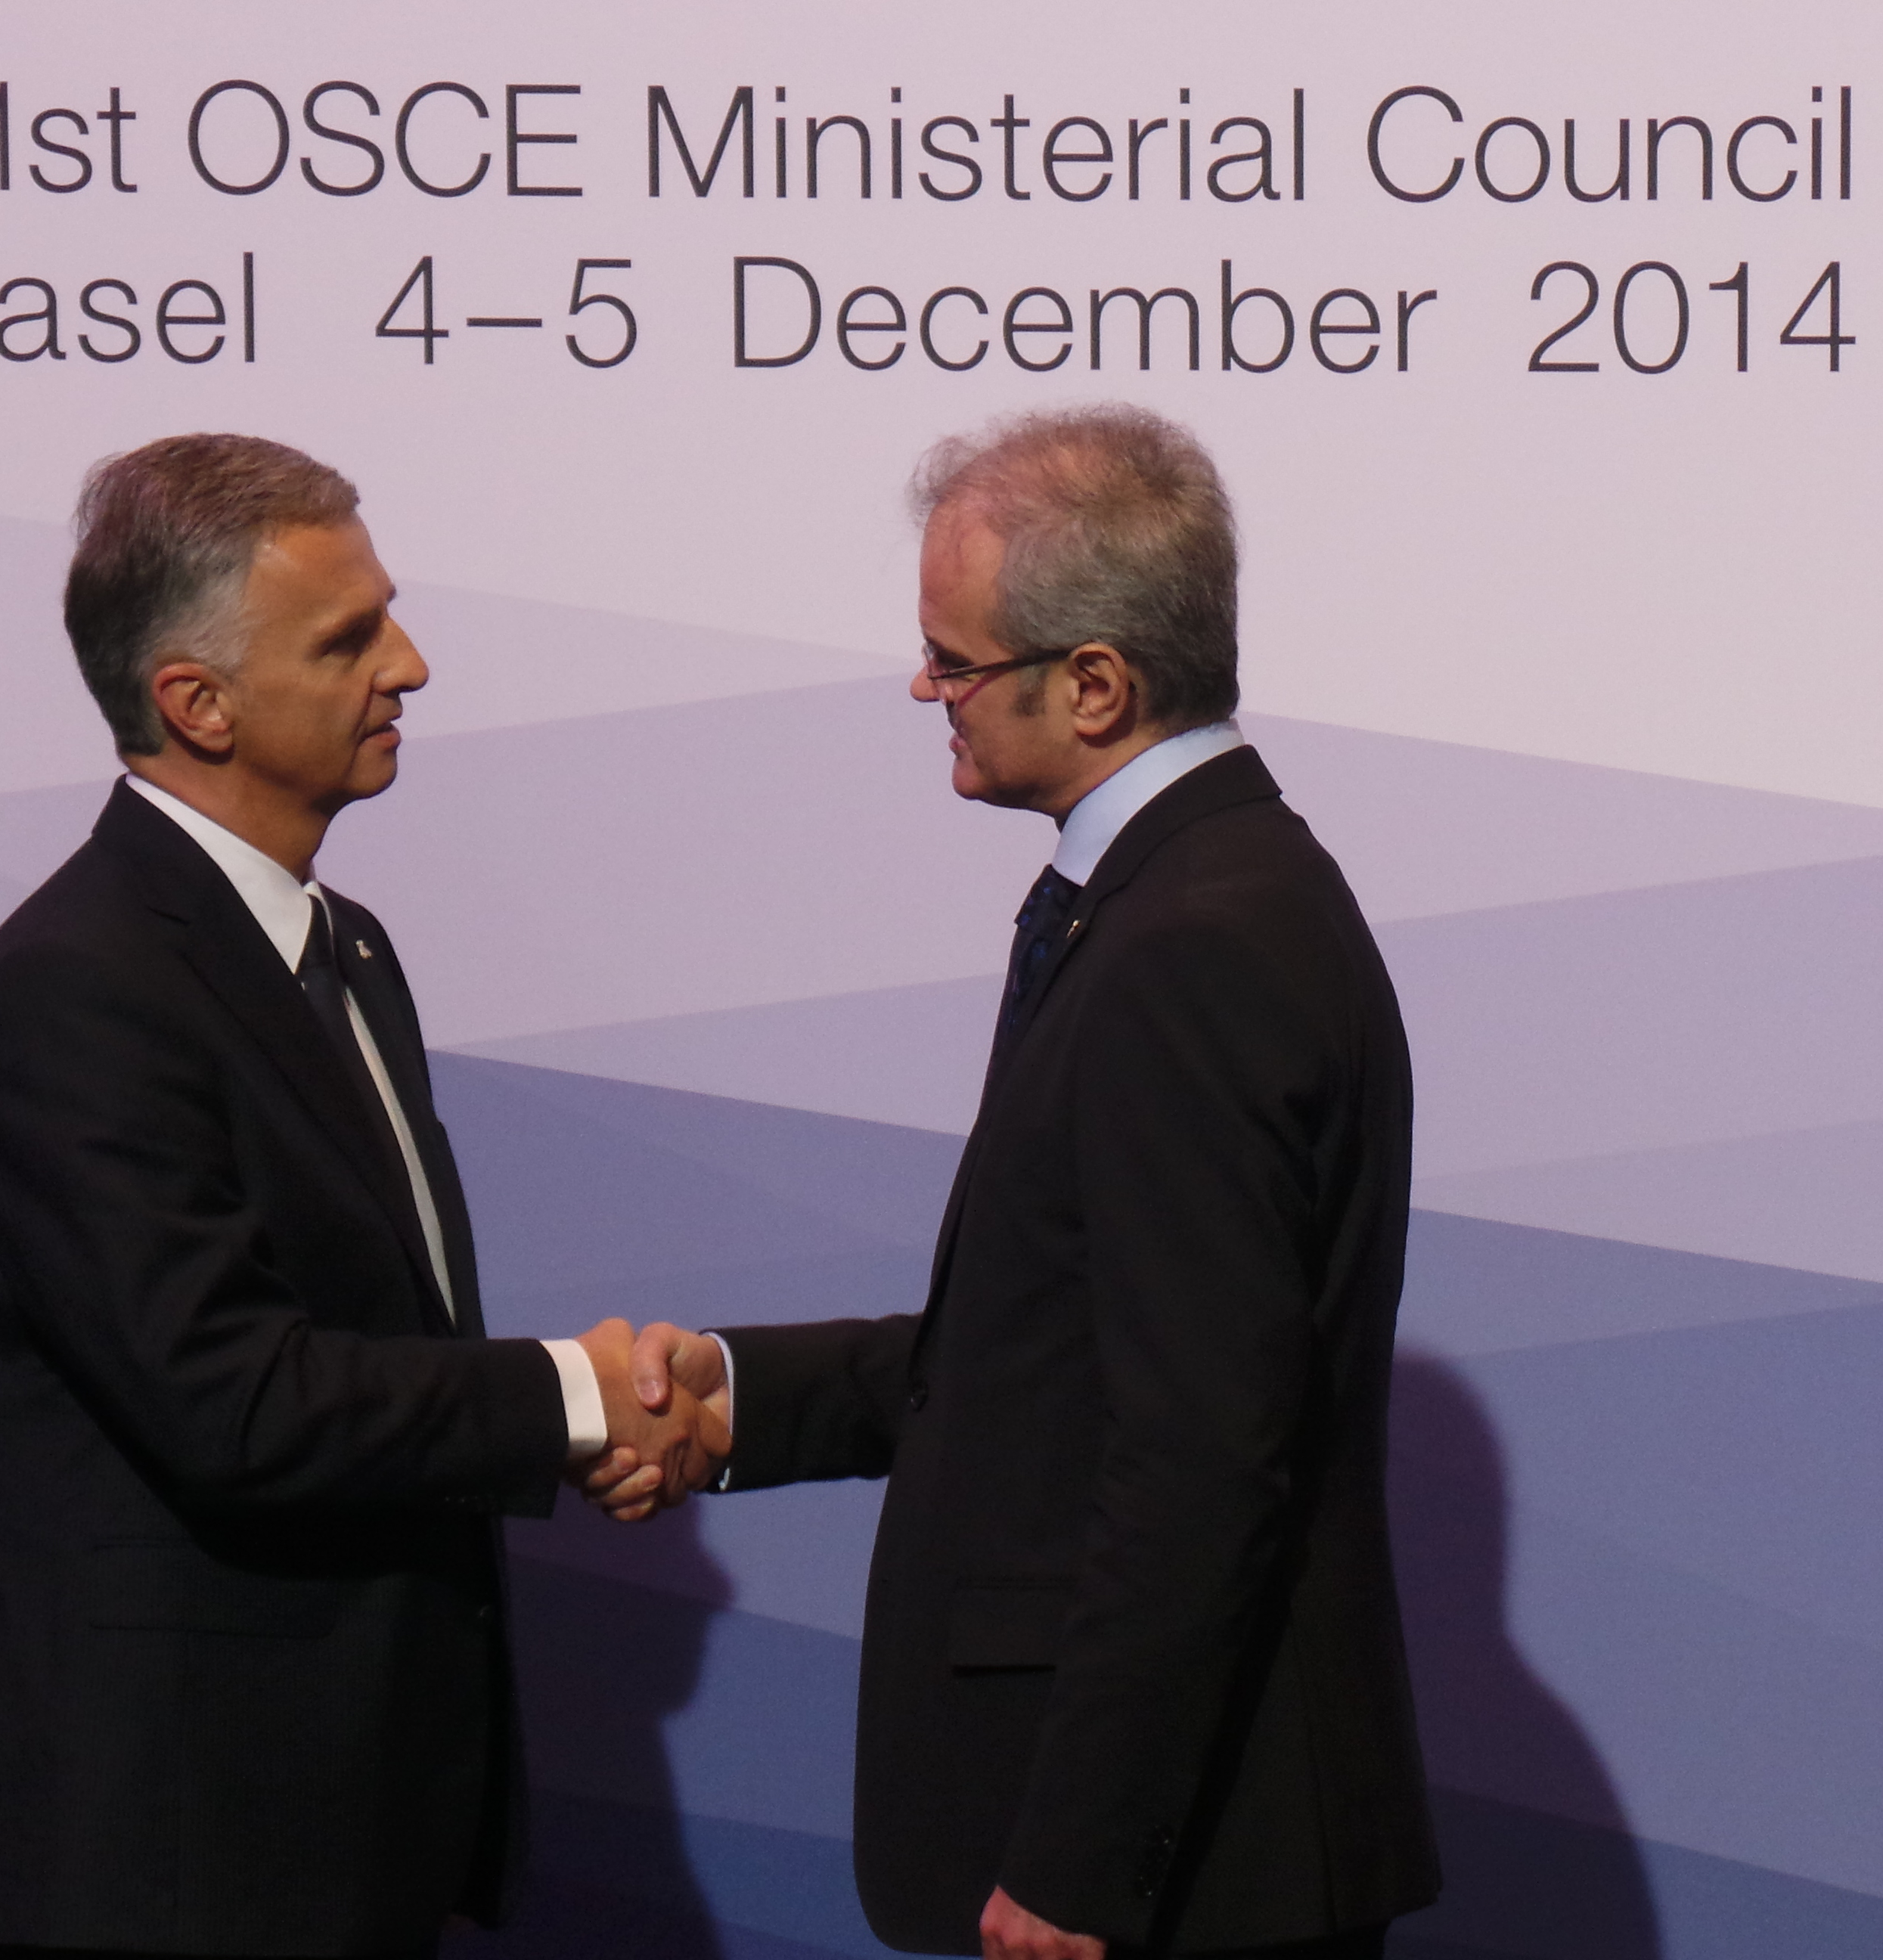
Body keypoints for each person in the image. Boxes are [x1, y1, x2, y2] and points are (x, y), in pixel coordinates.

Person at [598, 407, 1439, 1959]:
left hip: (1177, 1879)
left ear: (1099, 683)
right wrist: (734, 1396)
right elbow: (1049, 1354)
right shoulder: (1176, 899)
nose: (926, 688)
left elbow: (1197, 1451)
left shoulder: (1197, 946)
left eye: (956, 659)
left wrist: (1078, 1860)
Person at [0, 434, 725, 1959]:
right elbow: (231, 1400)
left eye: (387, 615)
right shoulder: (83, 985)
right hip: (177, 1857)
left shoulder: (349, 949)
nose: (407, 664)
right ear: (194, 702)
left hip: (342, 1825)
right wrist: (576, 1398)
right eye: (347, 639)